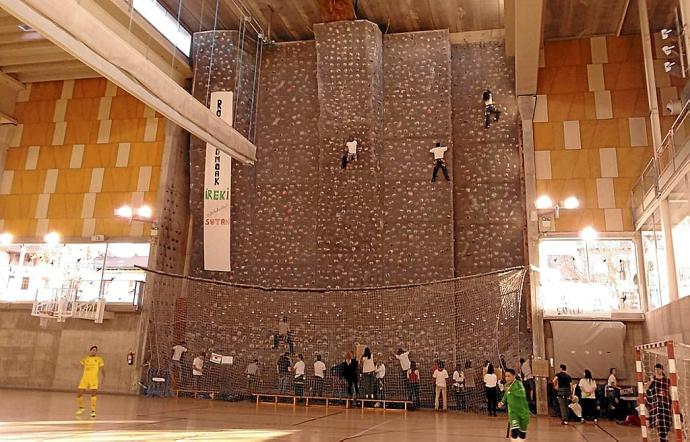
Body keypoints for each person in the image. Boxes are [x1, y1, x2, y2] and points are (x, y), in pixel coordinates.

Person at [499, 368, 530, 441]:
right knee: (514, 430)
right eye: (506, 376)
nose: (507, 378)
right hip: (513, 412)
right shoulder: (507, 385)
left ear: (514, 376)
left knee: (522, 433)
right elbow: (506, 395)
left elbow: (521, 394)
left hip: (522, 411)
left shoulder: (519, 384)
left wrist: (512, 390)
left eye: (509, 376)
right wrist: (502, 402)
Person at [76, 345, 105, 418]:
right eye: (93, 350)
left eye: (95, 350)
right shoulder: (85, 359)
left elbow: (102, 369)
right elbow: (80, 366)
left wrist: (104, 377)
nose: (94, 351)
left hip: (94, 379)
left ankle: (93, 411)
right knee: (79, 394)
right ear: (90, 351)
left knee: (93, 395)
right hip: (85, 379)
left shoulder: (99, 359)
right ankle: (81, 407)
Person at [646, 363, 672, 441]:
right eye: (655, 370)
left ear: (661, 370)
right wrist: (650, 381)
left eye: (658, 369)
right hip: (658, 403)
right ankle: (662, 438)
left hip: (666, 403)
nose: (657, 371)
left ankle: (665, 437)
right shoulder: (653, 379)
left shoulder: (666, 380)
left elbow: (669, 391)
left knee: (667, 423)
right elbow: (645, 389)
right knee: (660, 422)